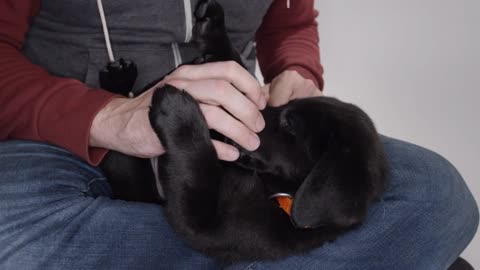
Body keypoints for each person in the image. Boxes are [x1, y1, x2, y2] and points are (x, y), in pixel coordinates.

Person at [0, 0, 477, 269]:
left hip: (244, 136)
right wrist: (109, 117)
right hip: (63, 141)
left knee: (438, 195)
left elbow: (290, 20)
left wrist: (296, 69)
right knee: (11, 238)